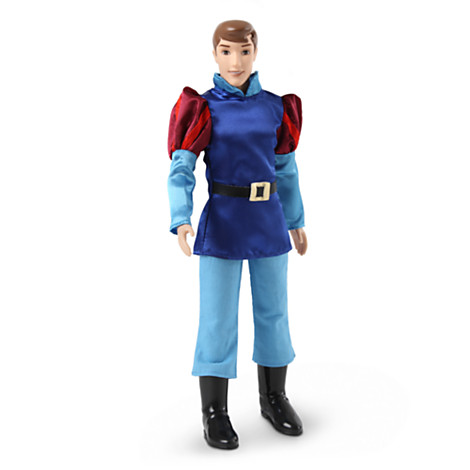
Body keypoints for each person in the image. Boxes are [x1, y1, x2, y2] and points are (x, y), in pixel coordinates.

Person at [167, 20, 307, 450]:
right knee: (217, 318)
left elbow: (285, 168)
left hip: (268, 218)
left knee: (274, 312)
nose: (236, 61)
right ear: (214, 54)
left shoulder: (274, 107)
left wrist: (296, 220)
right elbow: (182, 167)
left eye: (244, 51)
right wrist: (181, 217)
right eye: (226, 51)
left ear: (255, 52)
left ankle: (274, 397)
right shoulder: (203, 108)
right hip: (224, 220)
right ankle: (214, 411)